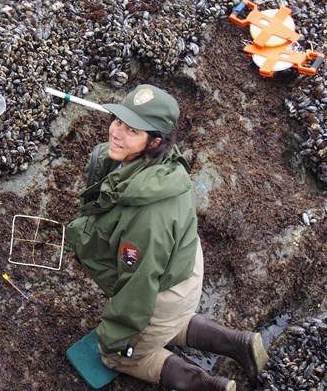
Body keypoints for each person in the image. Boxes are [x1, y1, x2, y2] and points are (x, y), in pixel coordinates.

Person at [66, 84, 269, 390]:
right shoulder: (153, 162)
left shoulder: (148, 219)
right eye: (118, 120)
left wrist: (114, 340)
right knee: (163, 323)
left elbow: (139, 289)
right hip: (178, 267)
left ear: (154, 141)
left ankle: (211, 385)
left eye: (131, 130)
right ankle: (240, 344)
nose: (116, 133)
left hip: (161, 289)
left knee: (119, 354)